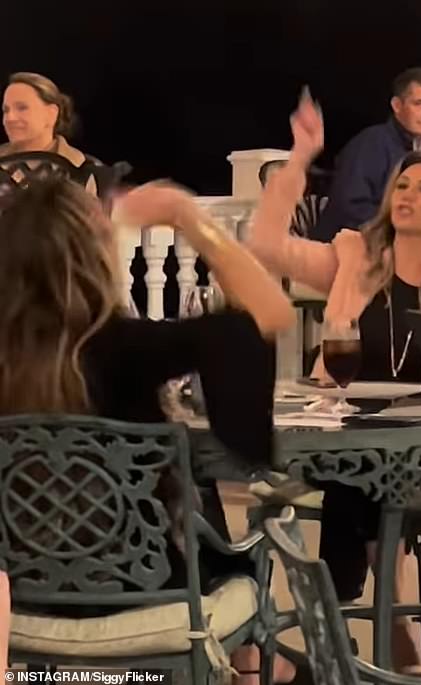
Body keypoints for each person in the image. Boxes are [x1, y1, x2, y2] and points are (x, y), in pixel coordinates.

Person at [0, 177, 296, 685]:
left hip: (22, 592)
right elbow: (269, 311)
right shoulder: (121, 347)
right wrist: (189, 220)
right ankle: (255, 668)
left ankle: (254, 668)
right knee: (220, 524)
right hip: (147, 584)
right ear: (91, 256)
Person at [249, 93, 421, 675]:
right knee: (358, 474)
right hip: (342, 432)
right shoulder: (352, 256)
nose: (407, 195)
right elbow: (265, 245)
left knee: (365, 479)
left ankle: (333, 626)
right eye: (402, 186)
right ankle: (397, 636)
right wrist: (299, 159)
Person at [311, 67, 421, 243]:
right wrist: (403, 229)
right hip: (344, 252)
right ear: (397, 105)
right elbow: (350, 208)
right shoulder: (371, 144)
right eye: (419, 104)